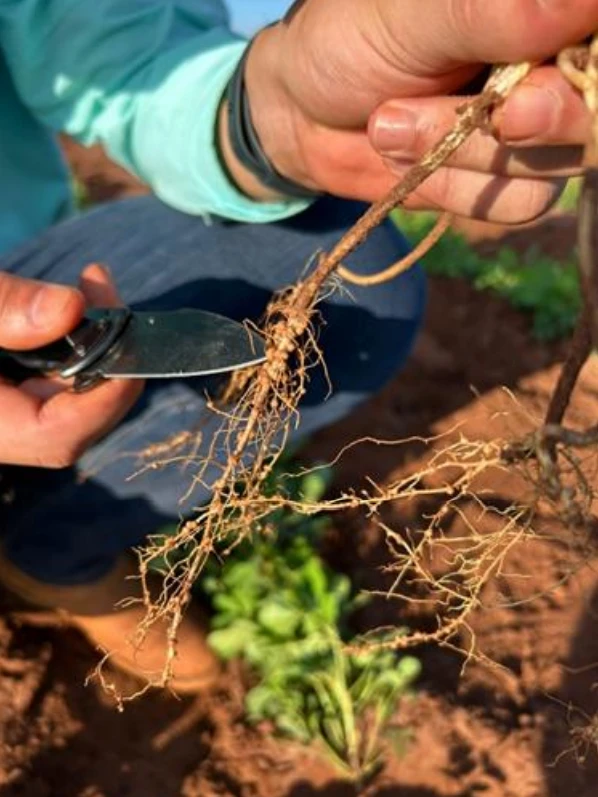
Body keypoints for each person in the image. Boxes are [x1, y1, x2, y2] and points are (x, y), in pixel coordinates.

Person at [0, 0, 593, 693]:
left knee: (345, 283)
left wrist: (273, 116)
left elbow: (122, 59)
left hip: (26, 272)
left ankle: (53, 550)